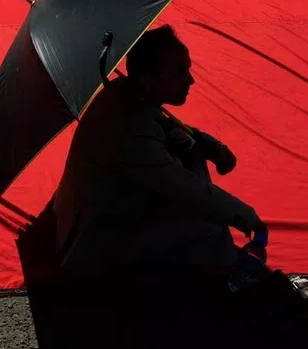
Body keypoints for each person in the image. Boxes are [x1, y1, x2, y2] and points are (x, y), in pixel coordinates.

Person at [53, 25, 266, 277]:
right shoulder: (128, 126)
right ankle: (234, 282)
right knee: (209, 225)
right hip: (95, 242)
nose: (190, 80)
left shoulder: (128, 94)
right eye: (179, 72)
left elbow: (169, 127)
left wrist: (212, 147)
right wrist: (246, 216)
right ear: (147, 79)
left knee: (193, 158)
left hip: (105, 213)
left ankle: (223, 268)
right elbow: (185, 188)